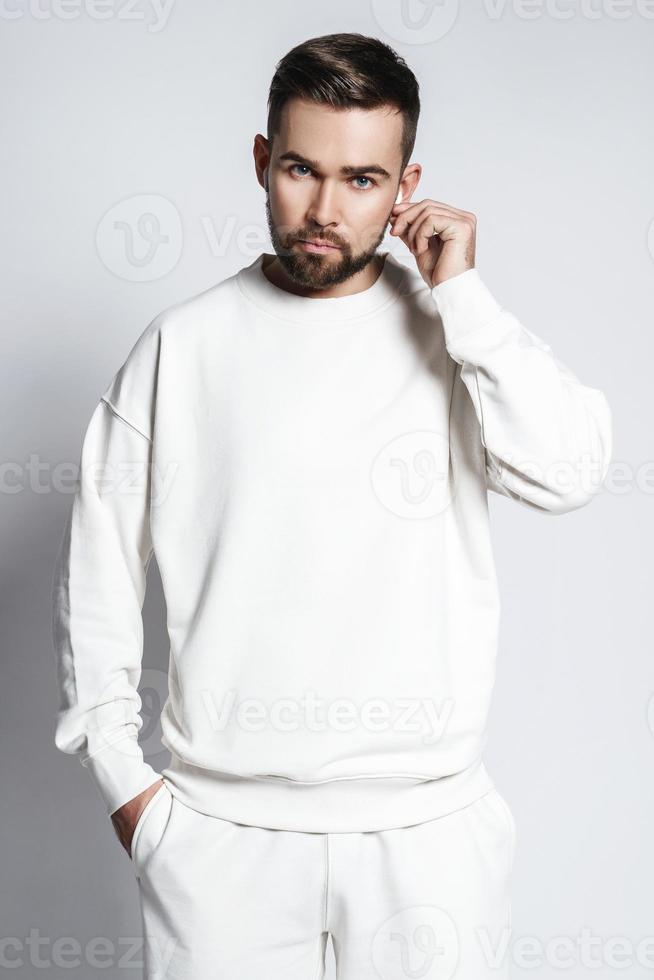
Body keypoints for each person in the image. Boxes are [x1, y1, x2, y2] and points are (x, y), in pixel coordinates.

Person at [51, 32, 612, 980]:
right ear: (263, 160)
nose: (322, 209)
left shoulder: (457, 335)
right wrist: (128, 790)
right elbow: (97, 574)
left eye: (361, 180)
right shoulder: (180, 349)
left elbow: (569, 472)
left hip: (428, 836)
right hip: (222, 843)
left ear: (406, 185)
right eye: (302, 170)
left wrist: (463, 296)